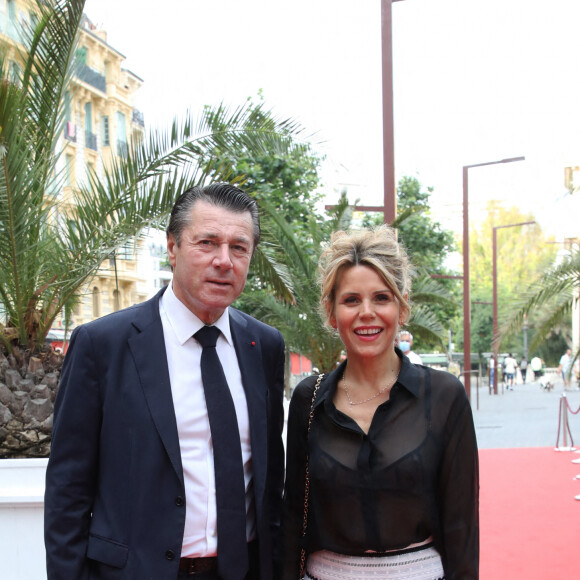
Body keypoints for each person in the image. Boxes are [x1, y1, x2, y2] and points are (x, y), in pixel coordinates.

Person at [44, 183, 286, 580]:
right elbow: (68, 489)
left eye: (238, 248)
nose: (223, 261)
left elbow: (269, 479)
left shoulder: (264, 346)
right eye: (206, 242)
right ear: (172, 248)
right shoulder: (103, 345)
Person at [280, 226, 479, 580]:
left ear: (402, 308)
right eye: (351, 300)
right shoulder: (307, 400)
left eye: (382, 298)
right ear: (331, 312)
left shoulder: (445, 396)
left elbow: (461, 525)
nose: (367, 312)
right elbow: (294, 515)